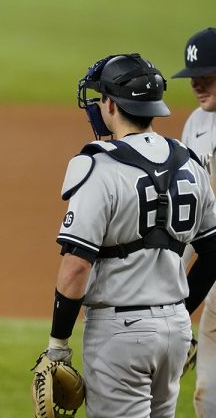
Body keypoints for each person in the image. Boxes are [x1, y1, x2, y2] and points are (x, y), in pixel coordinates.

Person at [43, 53, 216, 417]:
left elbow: (76, 268)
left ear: (110, 103)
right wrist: (180, 312)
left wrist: (58, 342)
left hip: (119, 336)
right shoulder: (188, 160)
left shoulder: (97, 165)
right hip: (175, 332)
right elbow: (213, 250)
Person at [172, 27, 216, 418]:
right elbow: (194, 215)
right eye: (193, 75)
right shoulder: (197, 124)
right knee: (207, 395)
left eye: (208, 73)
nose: (197, 83)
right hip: (214, 277)